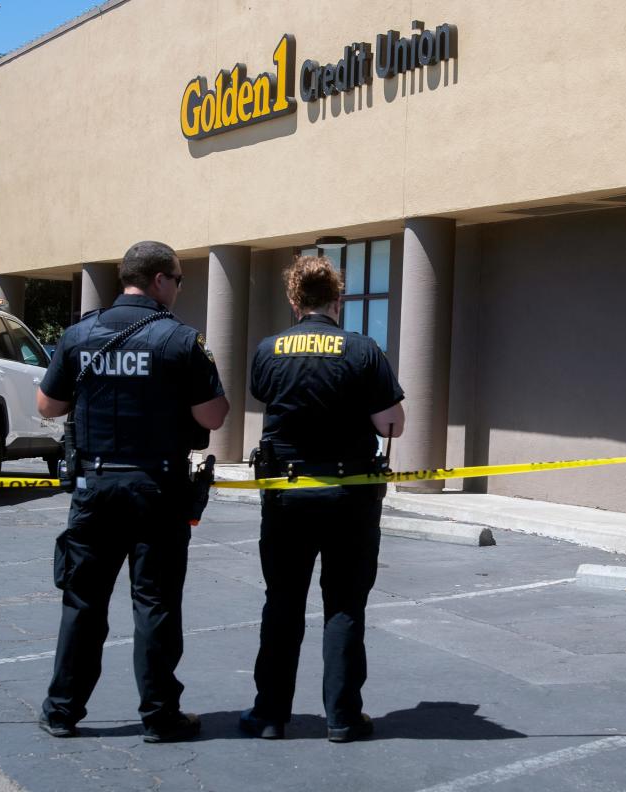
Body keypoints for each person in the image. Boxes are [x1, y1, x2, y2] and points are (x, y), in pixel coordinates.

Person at [37, 240, 229, 743]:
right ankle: (160, 715)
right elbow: (214, 416)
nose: (179, 289)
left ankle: (62, 711)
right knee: (156, 603)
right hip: (157, 488)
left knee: (83, 601)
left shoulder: (80, 335)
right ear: (161, 279)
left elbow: (46, 405)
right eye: (180, 280)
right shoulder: (180, 340)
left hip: (95, 486)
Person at [240, 254, 404, 743]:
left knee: (283, 604)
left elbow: (264, 397)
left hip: (287, 495)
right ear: (338, 299)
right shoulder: (363, 350)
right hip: (349, 497)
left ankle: (270, 714)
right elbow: (392, 424)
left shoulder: (269, 350)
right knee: (344, 606)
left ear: (295, 301)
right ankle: (343, 717)